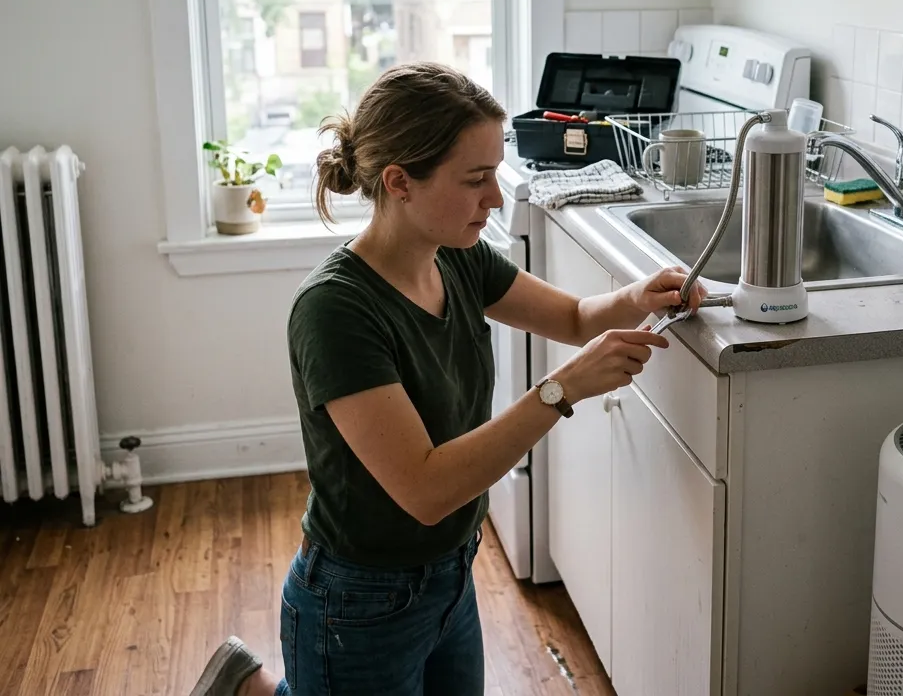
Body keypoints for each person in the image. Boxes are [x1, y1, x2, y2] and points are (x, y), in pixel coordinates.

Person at [189, 62, 704, 696]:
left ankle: (244, 682)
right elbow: (426, 490)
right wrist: (561, 389)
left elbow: (574, 318)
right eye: (476, 179)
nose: (496, 198)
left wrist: (638, 294)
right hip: (358, 601)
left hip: (452, 574)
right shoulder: (335, 310)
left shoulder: (459, 258)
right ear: (399, 182)